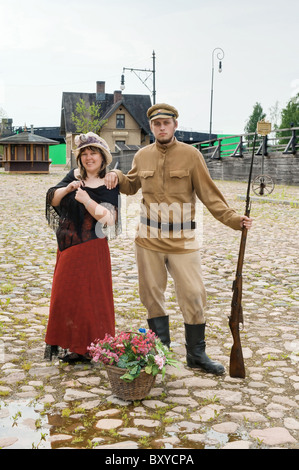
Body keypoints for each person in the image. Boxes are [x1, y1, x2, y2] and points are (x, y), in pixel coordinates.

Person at [105, 103, 252, 376]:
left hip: (183, 238)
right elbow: (132, 184)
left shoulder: (191, 155)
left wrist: (234, 219)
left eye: (166, 123)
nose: (161, 127)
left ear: (174, 126)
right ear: (151, 127)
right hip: (148, 237)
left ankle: (196, 354)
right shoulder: (142, 155)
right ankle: (159, 353)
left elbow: (210, 195)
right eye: (156, 124)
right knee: (151, 294)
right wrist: (117, 175)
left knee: (194, 294)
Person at [44, 132, 120, 363]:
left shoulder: (109, 182)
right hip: (68, 246)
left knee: (93, 298)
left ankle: (93, 347)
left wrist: (86, 200)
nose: (88, 157)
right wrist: (68, 189)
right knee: (66, 296)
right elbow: (53, 199)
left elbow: (109, 219)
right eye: (84, 154)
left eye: (93, 153)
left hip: (93, 248)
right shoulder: (73, 175)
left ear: (102, 157)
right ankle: (74, 345)